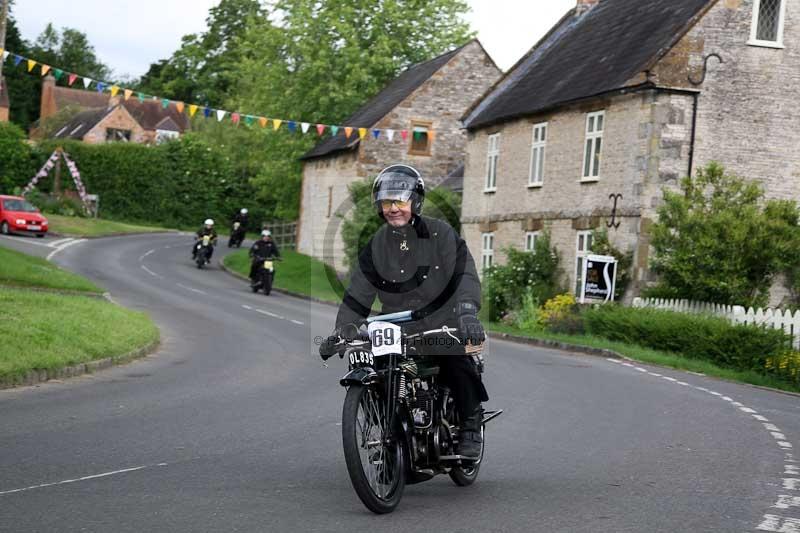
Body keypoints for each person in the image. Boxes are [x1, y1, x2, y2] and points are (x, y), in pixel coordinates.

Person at [319, 164, 488, 458]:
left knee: (454, 358)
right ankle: (390, 433)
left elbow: (464, 275)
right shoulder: (375, 246)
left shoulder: (441, 234)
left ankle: (471, 425)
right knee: (377, 368)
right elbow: (358, 293)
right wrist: (344, 328)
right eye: (387, 202)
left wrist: (466, 310)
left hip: (443, 322)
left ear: (415, 201)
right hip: (396, 327)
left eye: (400, 201)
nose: (393, 209)